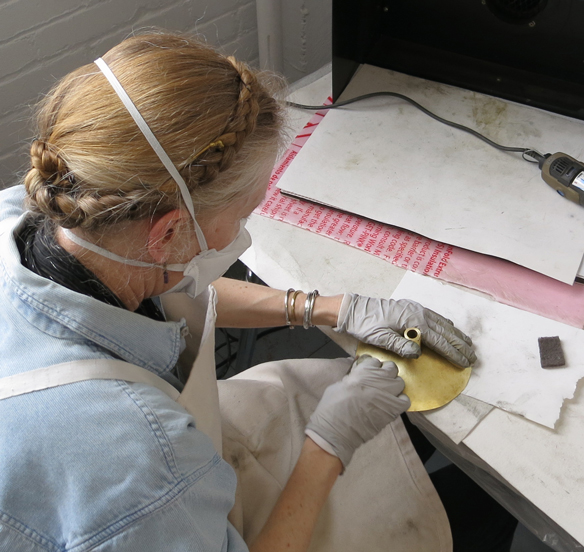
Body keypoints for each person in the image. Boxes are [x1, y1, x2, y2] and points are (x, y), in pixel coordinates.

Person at [0, 31, 514, 552]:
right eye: (242, 213)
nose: (244, 230)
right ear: (168, 233)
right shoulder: (138, 465)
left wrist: (328, 308)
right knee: (479, 511)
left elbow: (174, 284)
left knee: (328, 392)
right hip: (148, 494)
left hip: (157, 454)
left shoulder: (51, 207)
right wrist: (329, 445)